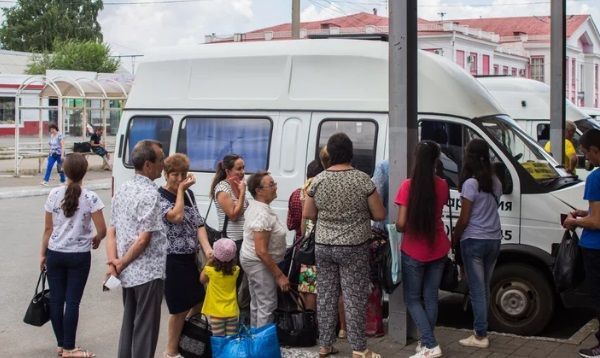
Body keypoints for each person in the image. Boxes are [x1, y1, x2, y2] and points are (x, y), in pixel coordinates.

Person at [303, 133, 386, 358]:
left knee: (327, 295)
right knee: (353, 296)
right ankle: (359, 349)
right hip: (354, 246)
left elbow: (308, 213)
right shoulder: (361, 179)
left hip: (324, 245)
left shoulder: (318, 180)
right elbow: (379, 213)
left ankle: (325, 346)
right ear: (351, 152)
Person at [40, 153, 107, 358]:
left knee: (56, 300)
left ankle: (62, 345)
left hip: (55, 254)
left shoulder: (53, 194)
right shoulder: (91, 197)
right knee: (72, 302)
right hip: (79, 256)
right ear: (84, 172)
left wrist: (43, 255)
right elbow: (102, 229)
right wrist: (95, 239)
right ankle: (70, 348)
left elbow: (47, 229)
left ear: (64, 170)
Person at [106, 140, 167, 358]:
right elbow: (144, 239)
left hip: (127, 271)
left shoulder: (123, 189)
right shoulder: (150, 194)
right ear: (148, 165)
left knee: (130, 326)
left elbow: (111, 231)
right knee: (145, 330)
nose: (164, 164)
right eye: (161, 160)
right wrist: (119, 263)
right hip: (147, 272)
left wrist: (114, 263)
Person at [394, 141, 450, 358]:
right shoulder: (443, 185)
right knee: (431, 297)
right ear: (436, 161)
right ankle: (425, 342)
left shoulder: (408, 186)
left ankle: (430, 344)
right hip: (438, 248)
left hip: (414, 250)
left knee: (412, 298)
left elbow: (401, 223)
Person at [158, 153, 212, 358]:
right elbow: (176, 216)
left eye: (183, 174)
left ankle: (183, 335)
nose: (179, 179)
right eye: (175, 175)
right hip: (171, 258)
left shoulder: (188, 195)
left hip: (190, 256)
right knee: (178, 307)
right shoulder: (159, 196)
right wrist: (181, 189)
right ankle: (170, 351)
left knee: (199, 298)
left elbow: (198, 223)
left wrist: (207, 248)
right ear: (165, 174)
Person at [451, 138, 502, 349]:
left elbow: (464, 219)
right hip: (494, 239)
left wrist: (453, 238)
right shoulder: (496, 182)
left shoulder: (470, 184)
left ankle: (480, 335)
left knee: (477, 289)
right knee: (484, 288)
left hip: (474, 241)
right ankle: (481, 330)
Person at [563, 128, 600, 358]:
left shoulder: (595, 177)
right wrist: (584, 211)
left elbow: (596, 222)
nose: (587, 157)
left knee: (598, 298)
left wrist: (573, 221)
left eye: (587, 152)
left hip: (595, 248)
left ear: (595, 150)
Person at [240, 171, 289, 328]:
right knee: (267, 305)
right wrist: (279, 275)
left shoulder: (260, 207)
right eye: (271, 184)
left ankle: (256, 341)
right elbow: (261, 250)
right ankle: (262, 346)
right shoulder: (261, 213)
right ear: (258, 191)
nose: (275, 187)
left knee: (258, 303)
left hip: (252, 261)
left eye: (274, 183)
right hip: (257, 263)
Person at [210, 154, 250, 310]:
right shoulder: (222, 188)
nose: (242, 172)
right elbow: (233, 215)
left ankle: (234, 317)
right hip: (231, 244)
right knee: (230, 285)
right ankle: (224, 319)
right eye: (238, 169)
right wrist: (242, 194)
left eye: (243, 168)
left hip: (243, 240)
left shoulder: (239, 185)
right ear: (227, 170)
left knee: (239, 282)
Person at [287, 160, 324, 311]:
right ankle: (313, 323)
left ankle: (303, 320)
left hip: (302, 249)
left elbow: (290, 225)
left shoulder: (296, 194)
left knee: (305, 286)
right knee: (314, 289)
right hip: (318, 247)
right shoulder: (320, 194)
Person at [200, 238, 241, 336]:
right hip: (232, 312)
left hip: (216, 313)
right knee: (231, 341)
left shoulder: (211, 271)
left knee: (218, 340)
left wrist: (209, 261)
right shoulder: (236, 271)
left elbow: (202, 280)